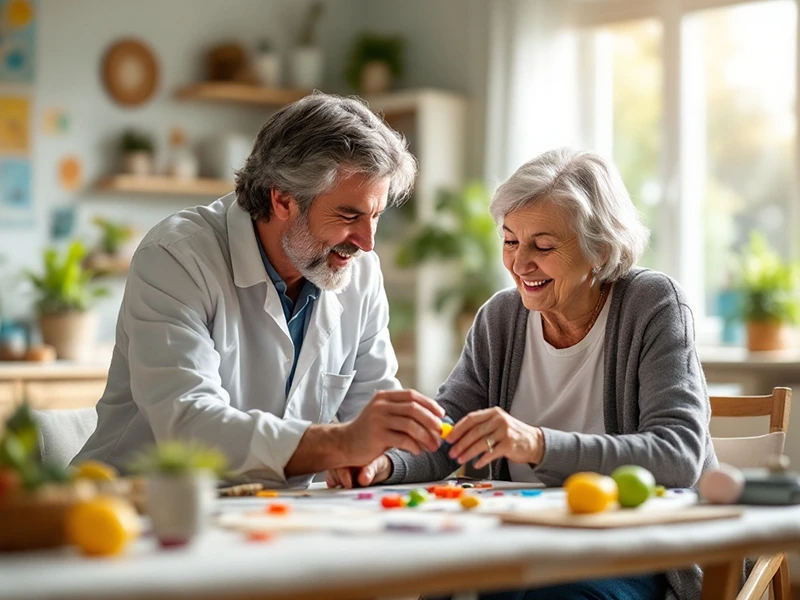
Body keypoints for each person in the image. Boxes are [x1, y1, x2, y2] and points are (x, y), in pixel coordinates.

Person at [328, 148, 718, 599]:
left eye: (544, 246)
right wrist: (385, 464)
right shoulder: (501, 318)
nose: (519, 263)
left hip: (626, 549)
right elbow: (448, 430)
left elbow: (678, 455)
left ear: (601, 248)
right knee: (435, 584)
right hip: (513, 543)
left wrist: (536, 444)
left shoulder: (652, 305)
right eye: (511, 241)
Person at [73, 93, 446, 487]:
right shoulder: (176, 257)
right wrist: (340, 443)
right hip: (138, 511)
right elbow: (188, 425)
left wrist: (375, 459)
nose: (368, 242)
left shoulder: (360, 271)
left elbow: (375, 416)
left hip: (267, 516)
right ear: (282, 198)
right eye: (349, 215)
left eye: (376, 216)